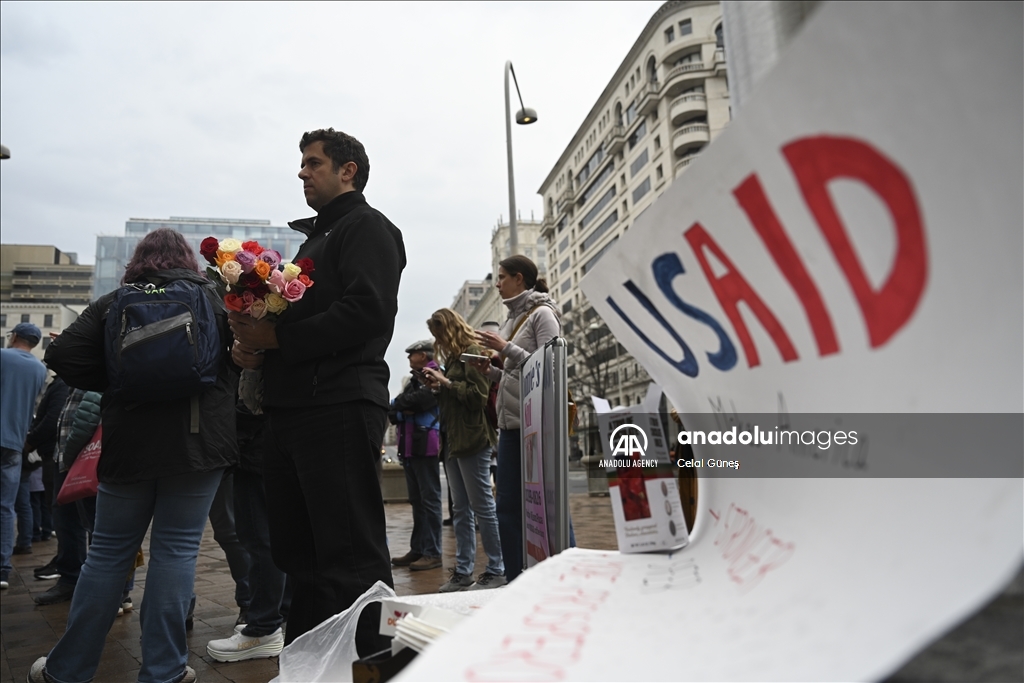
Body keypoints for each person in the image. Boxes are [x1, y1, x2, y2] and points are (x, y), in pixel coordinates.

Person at [32, 228, 238, 683]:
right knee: (177, 552)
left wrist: (117, 379)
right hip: (197, 443)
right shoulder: (216, 298)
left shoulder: (115, 302)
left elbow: (63, 352)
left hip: (128, 444)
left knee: (106, 554)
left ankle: (67, 670)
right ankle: (164, 670)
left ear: (139, 261)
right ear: (187, 259)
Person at [229, 128, 405, 652]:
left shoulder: (368, 227)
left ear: (347, 170)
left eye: (312, 163)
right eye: (302, 163)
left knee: (349, 552)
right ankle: (307, 659)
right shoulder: (314, 241)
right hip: (291, 410)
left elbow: (368, 310)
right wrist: (256, 349)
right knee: (299, 554)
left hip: (339, 404)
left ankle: (374, 662)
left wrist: (278, 335)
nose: (301, 172)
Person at [474, 255, 562, 583]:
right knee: (507, 508)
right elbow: (516, 377)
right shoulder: (512, 319)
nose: (497, 283)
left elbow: (550, 370)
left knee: (549, 507)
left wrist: (506, 347)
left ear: (519, 279)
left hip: (538, 425)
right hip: (510, 426)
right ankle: (513, 581)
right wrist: (491, 371)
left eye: (501, 277)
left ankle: (567, 573)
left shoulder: (543, 315)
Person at [422, 309, 505, 592]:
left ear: (451, 329)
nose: (439, 341)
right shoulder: (454, 358)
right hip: (454, 439)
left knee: (482, 506)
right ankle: (464, 570)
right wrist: (438, 388)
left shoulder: (473, 352)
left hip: (473, 438)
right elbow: (455, 399)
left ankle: (497, 567)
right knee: (460, 509)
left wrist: (446, 382)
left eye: (441, 335)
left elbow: (478, 397)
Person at [205, 402, 290, 662]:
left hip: (254, 448)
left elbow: (252, 403)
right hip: (270, 443)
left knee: (257, 538)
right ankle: (274, 615)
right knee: (270, 536)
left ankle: (263, 628)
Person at [388, 339, 443, 571]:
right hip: (410, 444)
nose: (409, 358)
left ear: (422, 355)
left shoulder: (435, 373)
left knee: (429, 500)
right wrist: (401, 408)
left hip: (425, 443)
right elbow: (394, 410)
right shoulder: (415, 379)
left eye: (412, 355)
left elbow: (422, 401)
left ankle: (432, 552)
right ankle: (419, 548)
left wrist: (401, 406)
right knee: (417, 501)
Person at [0, 322, 47, 590]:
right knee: (6, 507)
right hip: (15, 443)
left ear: (14, 336)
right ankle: (3, 569)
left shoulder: (2, 356)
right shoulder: (39, 369)